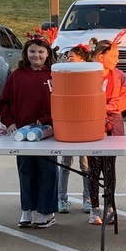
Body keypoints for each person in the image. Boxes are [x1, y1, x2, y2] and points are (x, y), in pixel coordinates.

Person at [0, 28, 58, 229]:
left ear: (48, 54)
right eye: (33, 51)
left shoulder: (54, 76)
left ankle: (45, 211)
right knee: (26, 171)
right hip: (23, 134)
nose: (37, 55)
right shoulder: (17, 76)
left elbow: (62, 103)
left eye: (41, 52)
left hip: (47, 132)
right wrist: (10, 122)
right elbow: (4, 102)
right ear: (26, 53)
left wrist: (48, 119)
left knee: (47, 170)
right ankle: (27, 209)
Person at [86, 33, 126, 225]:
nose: (117, 60)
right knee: (94, 168)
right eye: (113, 57)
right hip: (92, 127)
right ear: (100, 57)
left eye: (117, 56)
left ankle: (110, 205)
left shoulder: (119, 75)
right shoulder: (87, 74)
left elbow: (125, 97)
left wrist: (109, 106)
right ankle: (94, 207)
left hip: (113, 126)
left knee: (110, 168)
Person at [57, 45, 91, 214]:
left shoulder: (87, 76)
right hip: (68, 126)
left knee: (85, 165)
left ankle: (88, 199)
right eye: (67, 57)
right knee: (65, 164)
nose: (68, 60)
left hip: (83, 126)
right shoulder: (64, 75)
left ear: (83, 60)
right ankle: (61, 199)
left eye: (72, 57)